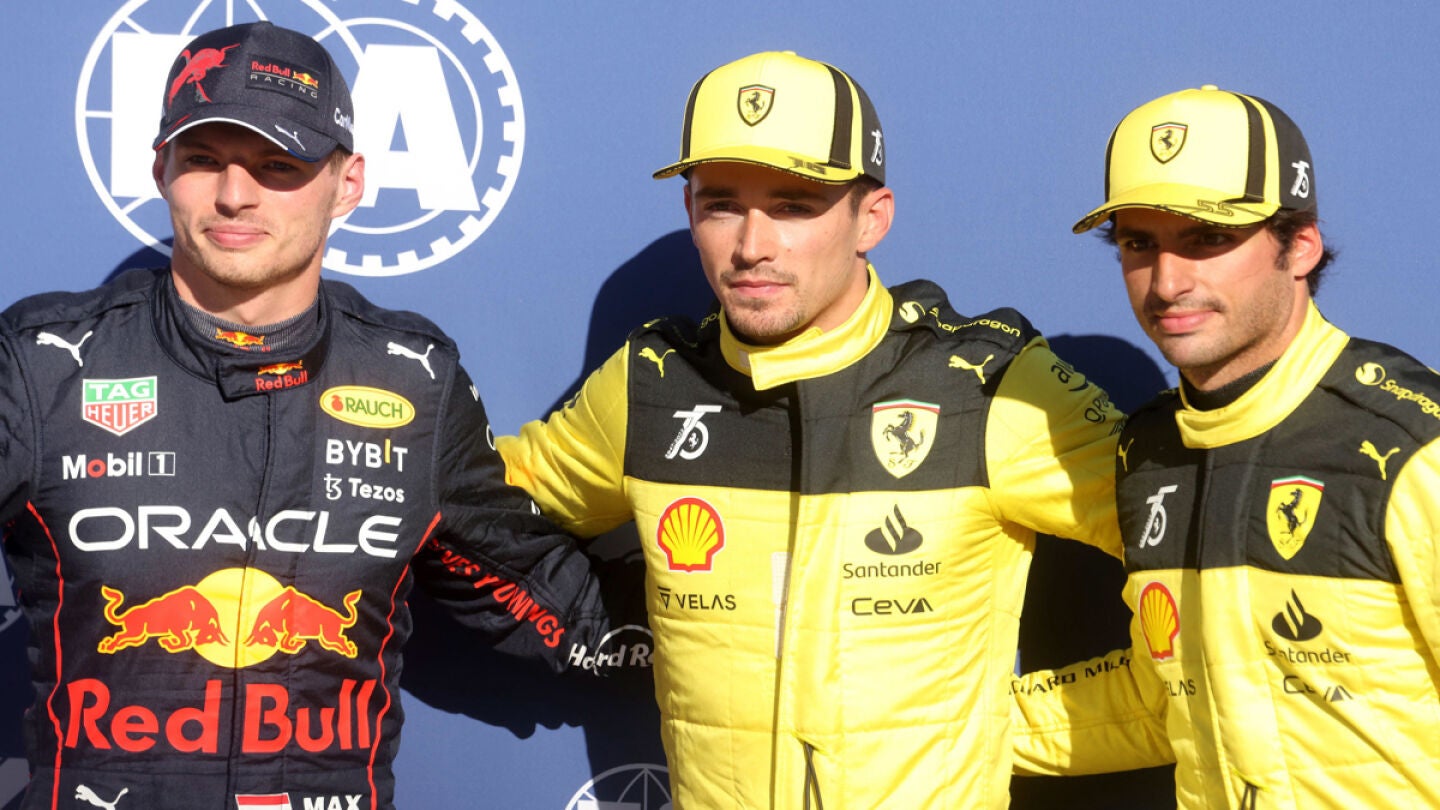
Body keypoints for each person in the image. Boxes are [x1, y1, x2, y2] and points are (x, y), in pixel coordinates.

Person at [0, 21, 617, 810]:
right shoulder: (44, 363)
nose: (234, 194)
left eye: (278, 164)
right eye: (202, 160)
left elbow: (535, 594)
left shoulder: (413, 380)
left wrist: (720, 618)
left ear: (348, 183)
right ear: (161, 170)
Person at [498, 50, 1127, 808]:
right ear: (690, 211)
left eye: (794, 206)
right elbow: (479, 507)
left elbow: (1217, 565)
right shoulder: (651, 384)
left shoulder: (989, 385)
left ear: (872, 218)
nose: (751, 246)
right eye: (721, 204)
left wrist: (993, 726)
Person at [1010, 86, 1440, 808]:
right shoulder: (1150, 449)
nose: (1167, 282)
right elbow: (1166, 697)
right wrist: (916, 722)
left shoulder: (1411, 447)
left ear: (1299, 247)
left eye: (1208, 239)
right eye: (1139, 244)